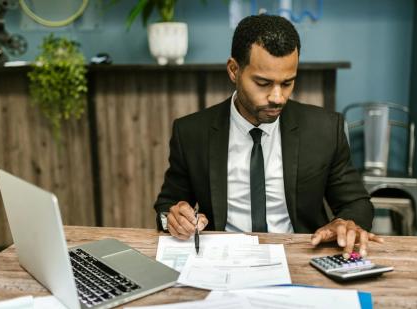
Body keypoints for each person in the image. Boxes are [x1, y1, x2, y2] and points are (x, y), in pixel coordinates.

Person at [154, 14, 383, 259]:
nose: (277, 97)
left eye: (287, 83)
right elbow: (167, 206)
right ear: (234, 70)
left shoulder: (325, 129)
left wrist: (344, 222)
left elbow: (358, 204)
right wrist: (173, 218)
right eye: (263, 83)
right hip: (221, 259)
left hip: (301, 257)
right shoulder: (191, 132)